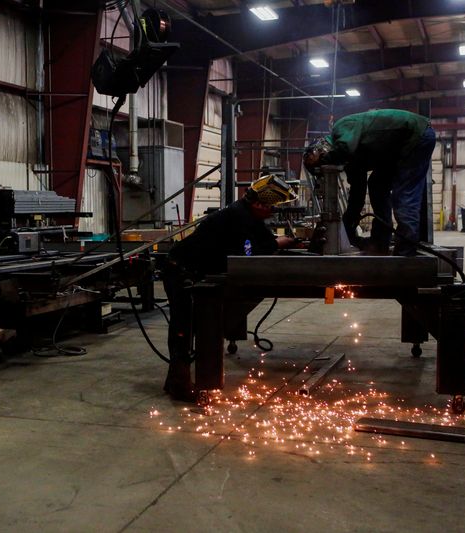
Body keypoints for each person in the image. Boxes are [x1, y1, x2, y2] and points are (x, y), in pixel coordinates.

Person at [161, 174, 298, 401]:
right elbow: (248, 254)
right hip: (181, 271)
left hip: (196, 271)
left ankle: (179, 380)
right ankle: (178, 384)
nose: (273, 212)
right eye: (271, 207)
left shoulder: (250, 216)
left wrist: (288, 244)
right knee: (184, 327)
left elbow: (262, 240)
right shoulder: (237, 217)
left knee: (195, 325)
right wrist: (276, 244)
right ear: (258, 204)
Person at [303, 109, 436, 256]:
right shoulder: (350, 161)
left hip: (416, 136)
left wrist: (327, 162)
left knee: (404, 195)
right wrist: (347, 228)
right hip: (397, 149)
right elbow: (357, 197)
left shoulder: (342, 128)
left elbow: (345, 148)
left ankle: (406, 253)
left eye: (325, 161)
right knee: (377, 185)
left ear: (324, 149)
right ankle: (380, 243)